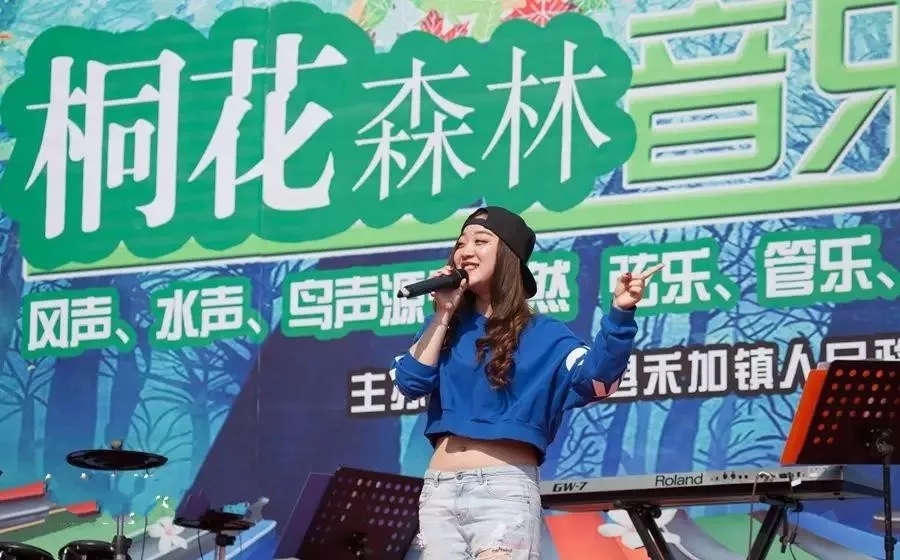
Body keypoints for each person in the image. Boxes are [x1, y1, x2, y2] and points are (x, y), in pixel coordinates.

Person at [392, 206, 660, 560]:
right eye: (461, 243)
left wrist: (621, 314)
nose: (465, 251)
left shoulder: (544, 334)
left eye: (480, 241)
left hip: (502, 490)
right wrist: (442, 314)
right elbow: (410, 382)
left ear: (509, 256)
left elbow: (598, 379)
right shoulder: (445, 329)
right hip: (439, 492)